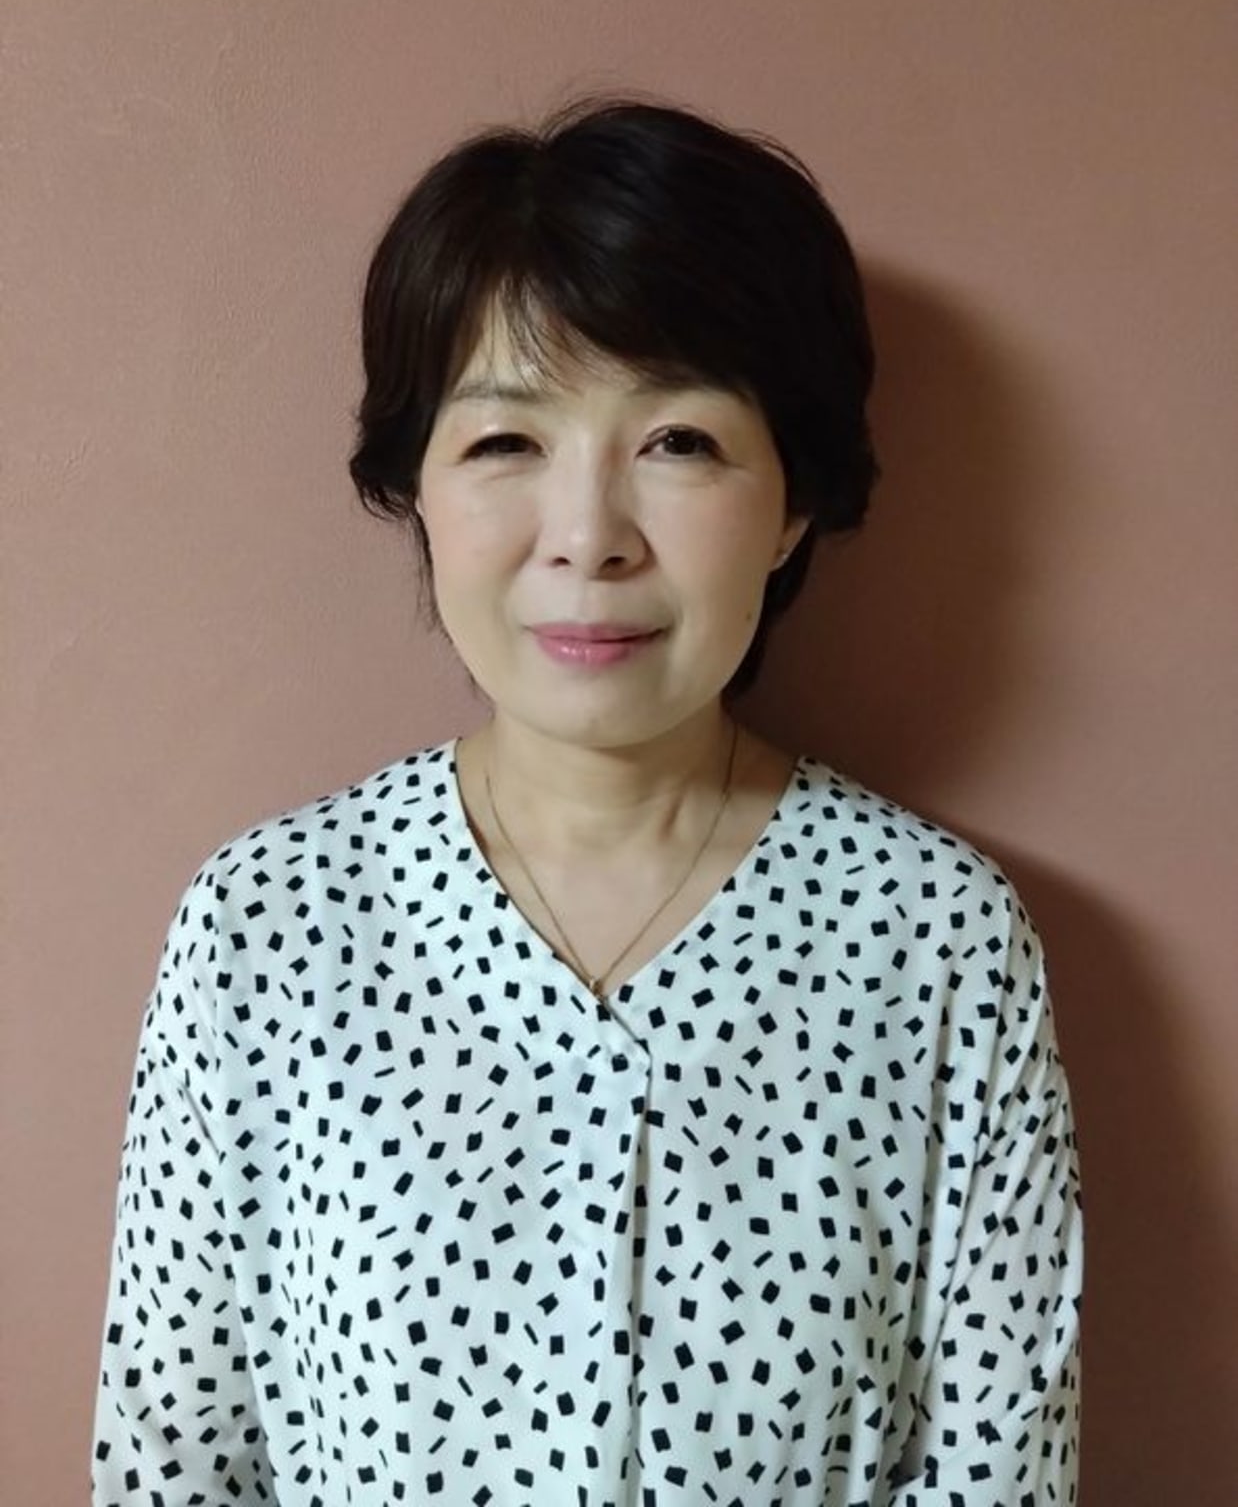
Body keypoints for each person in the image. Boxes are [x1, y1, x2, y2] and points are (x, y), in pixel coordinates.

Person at [92, 98, 1082, 1506]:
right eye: (505, 442)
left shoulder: (936, 942)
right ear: (417, 488)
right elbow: (174, 1460)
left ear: (793, 502)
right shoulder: (268, 930)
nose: (587, 538)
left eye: (677, 441)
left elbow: (1001, 1475)